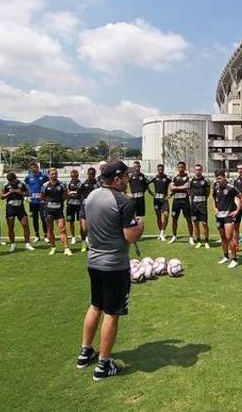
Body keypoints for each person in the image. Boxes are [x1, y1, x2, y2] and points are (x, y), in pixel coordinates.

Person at [78, 160, 143, 381]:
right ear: (116, 179)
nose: (128, 180)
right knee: (112, 313)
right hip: (114, 265)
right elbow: (130, 236)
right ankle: (104, 365)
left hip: (93, 261)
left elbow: (85, 228)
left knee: (95, 305)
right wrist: (140, 225)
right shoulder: (123, 201)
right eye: (125, 177)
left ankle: (85, 352)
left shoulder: (90, 197)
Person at [213, 169, 242, 268]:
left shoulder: (231, 188)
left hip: (228, 216)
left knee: (229, 237)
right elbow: (213, 198)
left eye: (219, 178)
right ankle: (226, 256)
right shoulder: (216, 188)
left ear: (224, 177)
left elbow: (241, 197)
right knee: (222, 237)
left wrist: (237, 210)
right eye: (217, 178)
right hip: (219, 216)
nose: (218, 180)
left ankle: (234, 259)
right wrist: (215, 208)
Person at [42, 168, 73, 256]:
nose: (54, 175)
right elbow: (43, 197)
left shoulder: (62, 185)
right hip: (49, 211)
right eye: (52, 174)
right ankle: (53, 247)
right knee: (50, 230)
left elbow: (65, 196)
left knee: (62, 229)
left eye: (55, 174)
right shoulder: (45, 185)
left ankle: (66, 248)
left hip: (59, 211)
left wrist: (59, 202)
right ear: (49, 175)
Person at [1, 172, 34, 252]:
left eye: (14, 180)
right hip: (10, 208)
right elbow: (2, 196)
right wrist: (10, 192)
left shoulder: (21, 184)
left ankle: (27, 243)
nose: (14, 182)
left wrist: (21, 193)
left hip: (20, 208)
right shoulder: (6, 185)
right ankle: (13, 244)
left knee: (25, 224)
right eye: (12, 181)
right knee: (11, 226)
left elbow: (27, 193)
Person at [169, 161, 194, 245]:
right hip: (176, 201)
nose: (181, 169)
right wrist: (181, 188)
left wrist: (176, 188)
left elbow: (187, 186)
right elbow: (171, 188)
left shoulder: (188, 177)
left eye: (182, 167)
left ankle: (191, 237)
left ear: (185, 168)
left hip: (185, 201)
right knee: (174, 219)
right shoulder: (174, 177)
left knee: (188, 219)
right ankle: (174, 236)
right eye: (179, 167)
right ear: (177, 168)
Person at [24, 161, 50, 242]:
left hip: (42, 202)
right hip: (33, 202)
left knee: (43, 218)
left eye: (34, 167)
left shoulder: (44, 177)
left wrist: (47, 197)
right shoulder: (28, 178)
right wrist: (26, 197)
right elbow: (25, 188)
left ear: (37, 167)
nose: (33, 169)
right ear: (30, 169)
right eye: (31, 168)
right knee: (35, 218)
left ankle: (46, 235)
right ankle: (37, 235)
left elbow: (48, 186)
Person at [78, 167, 100, 252]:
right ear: (87, 174)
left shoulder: (98, 184)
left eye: (93, 174)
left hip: (95, 208)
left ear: (95, 174)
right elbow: (78, 194)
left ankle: (94, 244)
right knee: (84, 228)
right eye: (90, 174)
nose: (91, 175)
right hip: (84, 208)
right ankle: (84, 243)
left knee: (94, 227)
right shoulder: (83, 184)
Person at [189, 163, 211, 248]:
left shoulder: (206, 180)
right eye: (196, 170)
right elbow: (189, 192)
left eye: (199, 169)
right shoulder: (191, 180)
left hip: (203, 205)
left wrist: (203, 199)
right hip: (194, 206)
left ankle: (206, 241)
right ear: (194, 170)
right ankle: (198, 241)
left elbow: (208, 192)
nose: (198, 171)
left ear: (202, 170)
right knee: (195, 223)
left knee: (204, 223)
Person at [148, 164, 171, 242]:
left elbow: (174, 184)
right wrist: (151, 193)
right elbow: (146, 184)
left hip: (164, 199)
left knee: (166, 215)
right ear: (157, 169)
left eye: (161, 169)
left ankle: (162, 233)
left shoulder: (167, 178)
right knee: (158, 217)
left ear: (163, 169)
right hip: (156, 200)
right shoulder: (154, 178)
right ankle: (161, 233)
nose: (160, 170)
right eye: (159, 169)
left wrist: (170, 194)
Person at [66, 169, 83, 244]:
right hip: (70, 205)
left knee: (81, 222)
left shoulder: (81, 184)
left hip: (79, 205)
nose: (74, 178)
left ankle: (83, 236)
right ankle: (73, 237)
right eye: (72, 176)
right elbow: (66, 193)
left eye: (75, 176)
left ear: (77, 176)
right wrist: (69, 194)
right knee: (71, 221)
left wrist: (77, 194)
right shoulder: (68, 184)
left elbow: (83, 194)